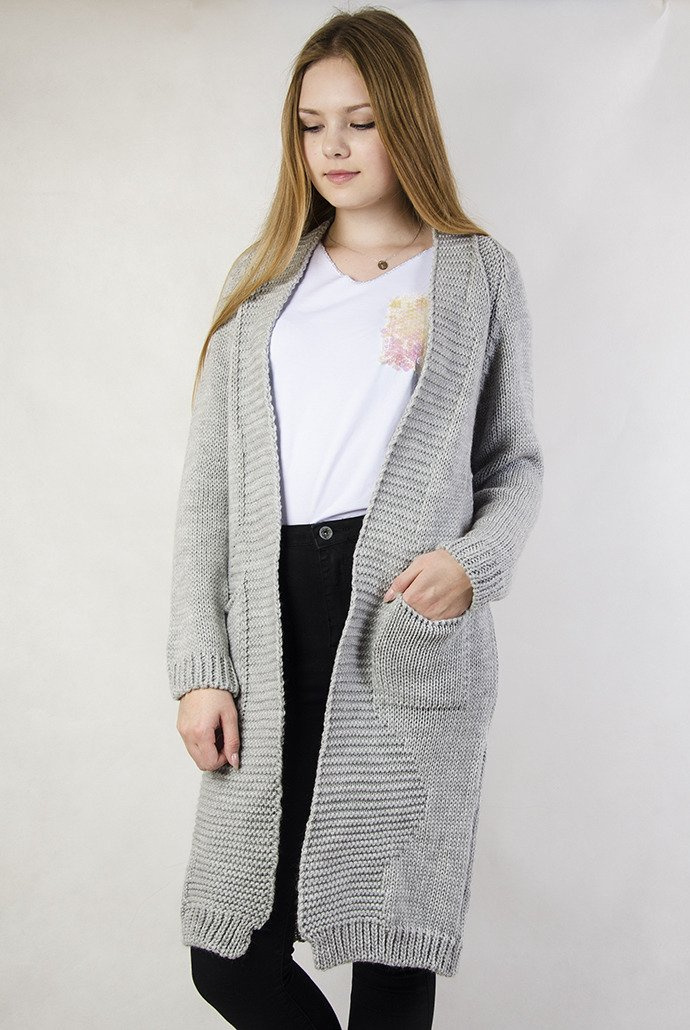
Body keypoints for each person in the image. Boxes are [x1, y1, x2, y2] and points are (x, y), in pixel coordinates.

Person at [166, 6, 544, 1029]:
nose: (333, 146)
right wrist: (201, 668)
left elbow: (513, 463)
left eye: (361, 121)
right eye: (311, 124)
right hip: (274, 625)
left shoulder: (476, 274)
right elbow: (205, 501)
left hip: (406, 624)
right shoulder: (261, 288)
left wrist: (473, 564)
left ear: (406, 122)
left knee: (390, 954)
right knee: (229, 955)